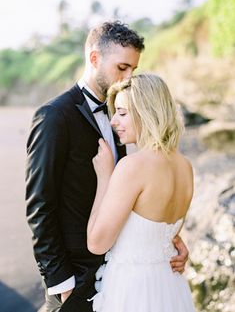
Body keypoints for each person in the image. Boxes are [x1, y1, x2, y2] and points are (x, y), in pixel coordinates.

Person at [25, 21, 188, 312]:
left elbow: (139, 200)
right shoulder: (54, 116)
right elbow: (40, 206)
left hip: (120, 274)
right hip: (75, 277)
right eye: (122, 67)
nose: (128, 77)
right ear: (94, 58)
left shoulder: (123, 114)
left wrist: (169, 239)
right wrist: (60, 281)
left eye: (133, 70)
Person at [87, 73, 196, 312]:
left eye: (122, 113)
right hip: (171, 286)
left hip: (133, 291)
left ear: (149, 112)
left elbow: (96, 243)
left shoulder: (132, 166)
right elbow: (165, 232)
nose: (114, 121)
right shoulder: (185, 166)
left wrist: (105, 177)